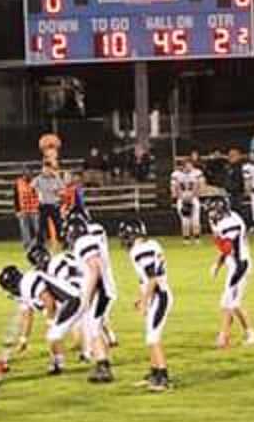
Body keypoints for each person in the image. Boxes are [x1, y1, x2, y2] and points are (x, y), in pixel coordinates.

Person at [0, 260, 82, 376]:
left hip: (71, 299)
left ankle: (58, 364)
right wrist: (24, 340)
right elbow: (27, 316)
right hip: (67, 302)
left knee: (53, 334)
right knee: (55, 334)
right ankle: (61, 363)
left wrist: (50, 321)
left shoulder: (28, 282)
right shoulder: (22, 291)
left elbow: (48, 300)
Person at [119, 220, 174, 392]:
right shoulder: (151, 244)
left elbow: (152, 278)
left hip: (160, 296)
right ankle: (155, 373)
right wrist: (141, 297)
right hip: (157, 295)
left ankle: (163, 378)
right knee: (150, 336)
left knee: (152, 338)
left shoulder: (140, 250)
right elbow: (147, 278)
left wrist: (144, 301)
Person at [66, 217, 115, 383]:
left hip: (100, 291)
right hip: (103, 289)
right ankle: (102, 362)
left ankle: (103, 366)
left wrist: (88, 295)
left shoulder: (83, 243)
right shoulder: (90, 240)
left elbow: (94, 268)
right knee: (95, 328)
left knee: (93, 329)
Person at [207, 198, 254, 349]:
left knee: (228, 303)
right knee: (233, 304)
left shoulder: (230, 223)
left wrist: (216, 239)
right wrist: (218, 264)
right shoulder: (230, 218)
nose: (211, 214)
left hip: (240, 266)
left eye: (213, 211)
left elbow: (227, 248)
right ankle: (249, 334)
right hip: (237, 264)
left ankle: (224, 337)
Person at [171, 159, 204, 244]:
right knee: (185, 220)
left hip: (193, 197)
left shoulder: (197, 173)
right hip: (182, 198)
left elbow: (200, 185)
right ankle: (186, 238)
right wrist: (181, 197)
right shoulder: (176, 174)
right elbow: (174, 187)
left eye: (190, 165)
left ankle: (197, 238)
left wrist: (193, 196)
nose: (189, 167)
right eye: (187, 165)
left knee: (196, 220)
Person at [31, 166, 65, 248]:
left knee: (58, 225)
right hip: (43, 205)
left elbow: (63, 190)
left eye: (48, 170)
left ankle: (62, 241)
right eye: (45, 170)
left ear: (51, 170)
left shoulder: (56, 178)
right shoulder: (38, 179)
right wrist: (36, 191)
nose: (46, 171)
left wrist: (57, 191)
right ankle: (40, 243)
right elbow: (31, 187)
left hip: (54, 204)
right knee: (41, 226)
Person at [14, 166, 40, 250]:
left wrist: (40, 208)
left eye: (29, 174)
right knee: (24, 229)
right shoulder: (18, 183)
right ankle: (27, 245)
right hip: (23, 210)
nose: (28, 176)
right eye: (26, 174)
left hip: (34, 209)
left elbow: (40, 196)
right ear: (23, 175)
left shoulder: (36, 182)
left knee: (37, 228)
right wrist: (17, 210)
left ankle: (38, 243)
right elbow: (16, 197)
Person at [223, 147, 246, 217]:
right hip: (228, 193)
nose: (230, 157)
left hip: (237, 194)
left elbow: (240, 182)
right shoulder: (227, 167)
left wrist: (231, 189)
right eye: (229, 155)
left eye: (233, 156)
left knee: (236, 211)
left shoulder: (241, 168)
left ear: (238, 156)